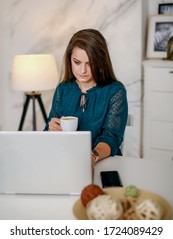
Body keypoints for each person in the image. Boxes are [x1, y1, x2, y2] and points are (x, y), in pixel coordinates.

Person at [44, 29, 128, 167]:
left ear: (100, 62)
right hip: (66, 162)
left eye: (90, 63)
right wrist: (50, 129)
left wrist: (92, 157)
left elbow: (111, 137)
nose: (82, 70)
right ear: (69, 59)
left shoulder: (115, 91)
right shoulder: (63, 89)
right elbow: (50, 129)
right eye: (77, 62)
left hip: (103, 163)